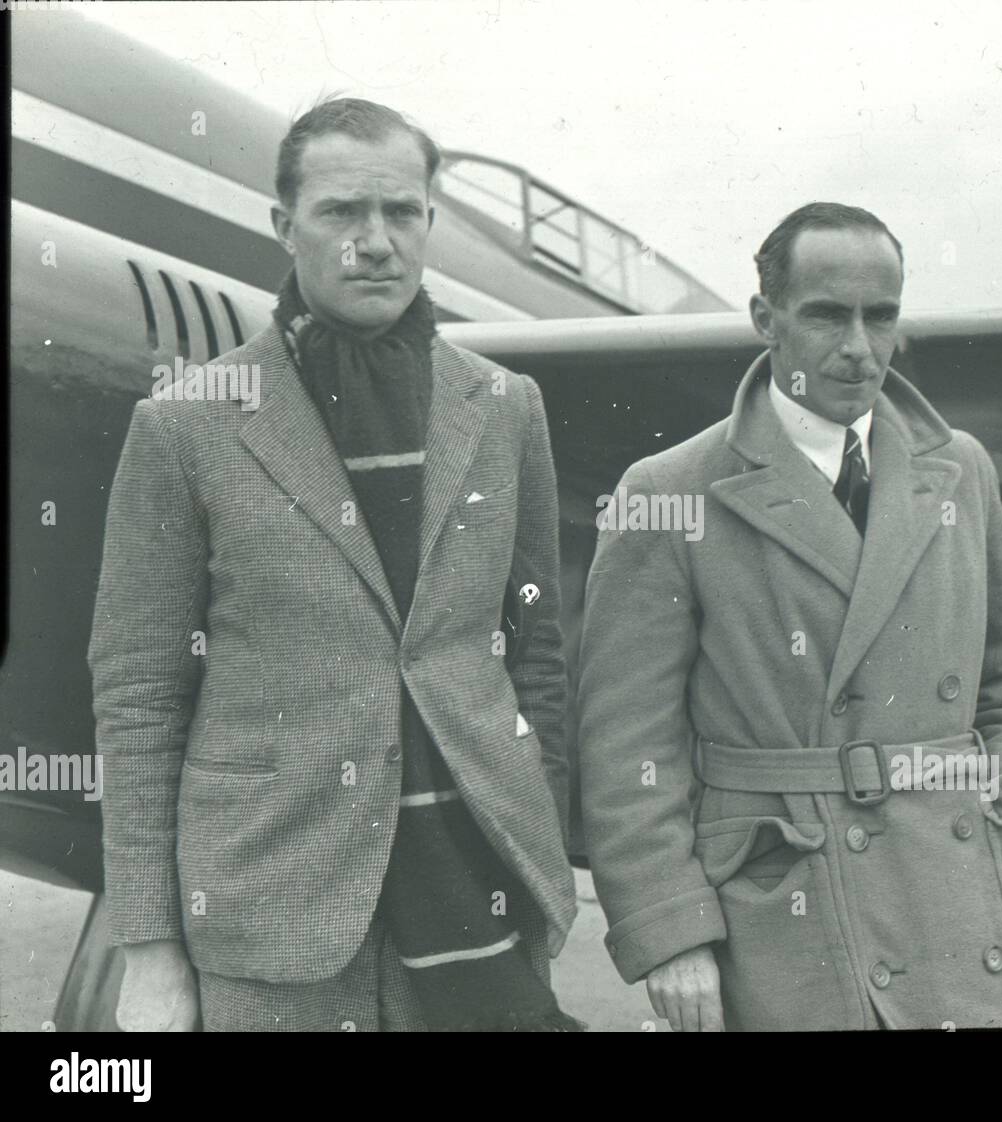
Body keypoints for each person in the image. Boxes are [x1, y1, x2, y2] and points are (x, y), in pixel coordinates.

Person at [89, 98, 579, 1031]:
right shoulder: (185, 427)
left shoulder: (506, 406)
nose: (376, 241)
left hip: (482, 913)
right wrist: (150, 949)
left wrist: (534, 835)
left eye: (402, 213)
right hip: (277, 937)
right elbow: (140, 695)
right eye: (341, 213)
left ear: (429, 222)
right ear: (285, 227)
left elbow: (536, 652)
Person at [577, 202, 1002, 1031]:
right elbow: (628, 745)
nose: (860, 347)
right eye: (828, 315)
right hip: (789, 894)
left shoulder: (961, 469)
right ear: (766, 319)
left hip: (962, 882)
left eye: (883, 317)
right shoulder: (669, 492)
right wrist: (671, 932)